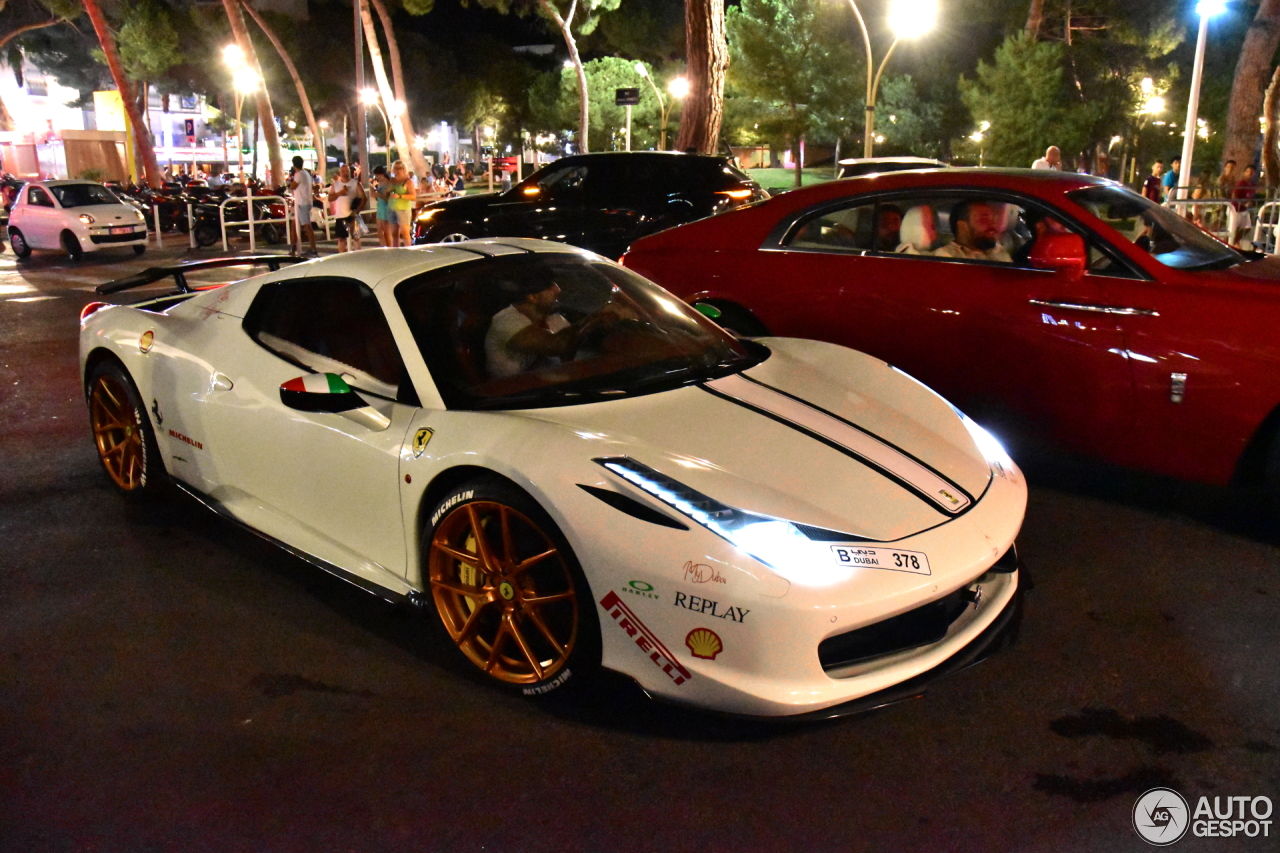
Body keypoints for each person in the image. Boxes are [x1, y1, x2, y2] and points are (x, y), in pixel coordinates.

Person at [933, 200, 1013, 263]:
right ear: (963, 227)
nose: (993, 224)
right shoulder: (945, 258)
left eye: (993, 219)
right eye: (984, 220)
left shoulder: (997, 250)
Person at [328, 164, 363, 253]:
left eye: (347, 171)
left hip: (353, 215)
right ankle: (342, 256)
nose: (345, 173)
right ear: (339, 173)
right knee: (341, 239)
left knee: (356, 237)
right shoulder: (335, 184)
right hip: (340, 215)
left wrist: (357, 211)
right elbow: (330, 198)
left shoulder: (355, 183)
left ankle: (358, 256)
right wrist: (340, 193)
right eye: (343, 171)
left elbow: (364, 198)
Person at [288, 155, 317, 257]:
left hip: (302, 203)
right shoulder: (306, 173)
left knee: (307, 226)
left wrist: (290, 181)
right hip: (304, 202)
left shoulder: (299, 174)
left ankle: (313, 248)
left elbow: (292, 186)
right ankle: (293, 248)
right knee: (294, 225)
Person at [384, 159, 416, 247]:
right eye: (396, 168)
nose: (398, 170)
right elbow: (386, 195)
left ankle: (408, 251)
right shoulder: (391, 181)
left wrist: (400, 196)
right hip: (391, 208)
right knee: (394, 234)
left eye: (400, 168)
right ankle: (396, 252)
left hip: (403, 209)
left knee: (405, 233)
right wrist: (387, 192)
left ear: (404, 169)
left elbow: (413, 196)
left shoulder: (408, 181)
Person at [1232, 163, 1259, 248]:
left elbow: (1251, 196)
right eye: (1248, 172)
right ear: (1244, 173)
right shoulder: (1241, 183)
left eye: (1252, 172)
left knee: (1247, 228)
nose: (1250, 174)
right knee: (1232, 228)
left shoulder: (1252, 185)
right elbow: (1234, 196)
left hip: (1244, 210)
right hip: (1236, 209)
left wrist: (1251, 203)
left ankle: (1235, 242)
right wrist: (1243, 203)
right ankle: (1230, 243)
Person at [371, 164, 391, 247]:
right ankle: (383, 246)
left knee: (386, 231)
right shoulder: (380, 183)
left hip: (386, 208)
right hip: (380, 207)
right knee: (379, 231)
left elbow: (388, 199)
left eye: (377, 175)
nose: (376, 177)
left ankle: (390, 247)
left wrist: (379, 194)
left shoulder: (389, 183)